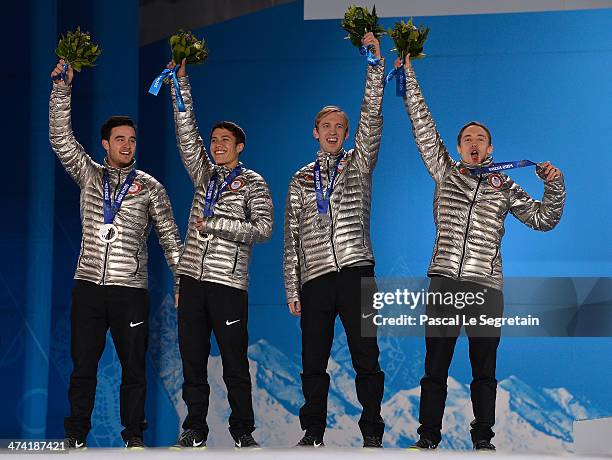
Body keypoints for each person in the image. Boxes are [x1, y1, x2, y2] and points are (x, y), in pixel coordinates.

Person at [399, 54, 566, 451]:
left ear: (491, 148)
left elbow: (544, 219)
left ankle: (483, 440)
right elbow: (423, 124)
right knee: (434, 366)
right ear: (457, 147)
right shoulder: (445, 172)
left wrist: (554, 186)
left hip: (485, 286)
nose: (474, 143)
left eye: (480, 139)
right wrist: (408, 73)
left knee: (484, 370)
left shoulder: (505, 186)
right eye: (467, 139)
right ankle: (428, 438)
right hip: (443, 281)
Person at [49, 60, 183, 449]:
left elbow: (170, 239)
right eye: (120, 139)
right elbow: (61, 139)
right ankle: (75, 435)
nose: (127, 145)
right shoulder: (89, 174)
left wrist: (181, 280)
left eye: (132, 140)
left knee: (134, 368)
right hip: (89, 286)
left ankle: (134, 436)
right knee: (83, 367)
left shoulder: (150, 188)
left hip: (130, 291)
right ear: (105, 144)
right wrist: (61, 91)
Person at [283, 32, 386, 448]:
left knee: (367, 357)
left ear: (347, 134)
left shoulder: (359, 164)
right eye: (326, 126)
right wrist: (292, 286)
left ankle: (373, 432)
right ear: (314, 132)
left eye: (340, 126)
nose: (332, 131)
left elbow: (373, 115)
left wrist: (374, 66)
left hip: (357, 272)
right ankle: (313, 432)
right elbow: (291, 238)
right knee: (313, 362)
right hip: (316, 280)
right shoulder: (299, 179)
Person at [167, 59, 273, 449]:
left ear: (239, 147)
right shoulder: (204, 175)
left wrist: (216, 225)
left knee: (233, 363)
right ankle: (194, 427)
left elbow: (263, 230)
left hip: (228, 284)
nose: (217, 145)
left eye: (225, 141)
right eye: (214, 140)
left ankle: (242, 430)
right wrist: (181, 84)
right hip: (193, 280)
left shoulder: (254, 183)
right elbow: (185, 132)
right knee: (192, 361)